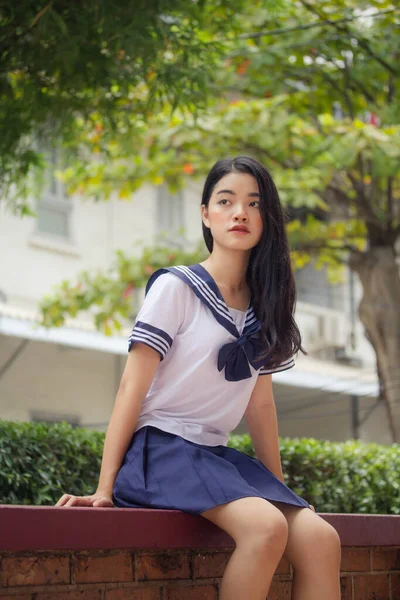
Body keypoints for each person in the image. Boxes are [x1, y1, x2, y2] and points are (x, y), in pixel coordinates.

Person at [56, 156, 341, 600]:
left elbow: (260, 405)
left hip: (214, 456)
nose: (240, 212)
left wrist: (281, 490)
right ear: (206, 214)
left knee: (323, 540)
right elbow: (132, 387)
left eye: (253, 203)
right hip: (161, 451)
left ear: (268, 218)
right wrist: (103, 488)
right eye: (225, 201)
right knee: (265, 528)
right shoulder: (177, 288)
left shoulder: (264, 306)